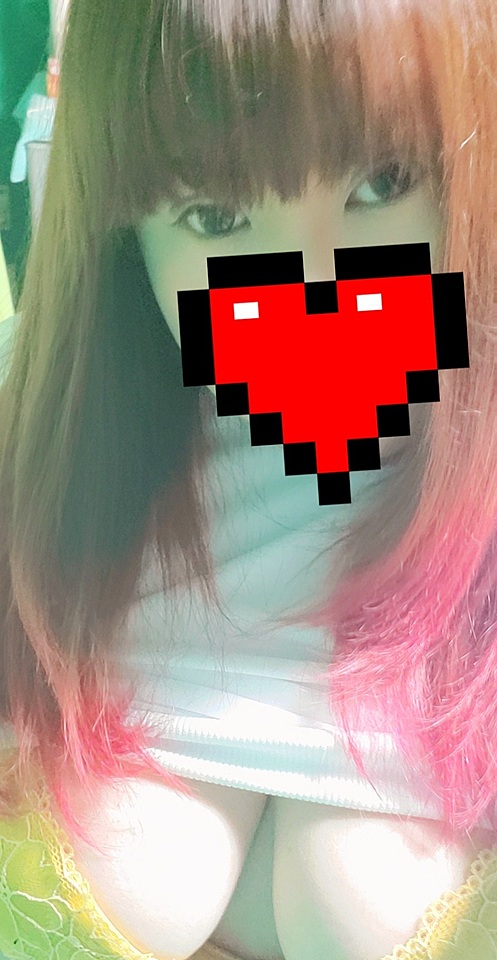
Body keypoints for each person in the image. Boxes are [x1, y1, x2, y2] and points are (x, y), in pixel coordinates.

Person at [0, 1, 496, 958]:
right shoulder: (48, 434)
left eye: (383, 181)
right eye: (217, 217)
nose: (313, 279)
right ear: (124, 226)